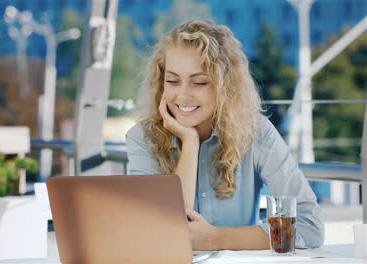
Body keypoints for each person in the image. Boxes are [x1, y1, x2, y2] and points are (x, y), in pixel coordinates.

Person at [125, 20, 324, 250]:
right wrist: (189, 143)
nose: (182, 95)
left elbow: (310, 227)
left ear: (224, 85)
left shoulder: (255, 131)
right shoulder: (142, 138)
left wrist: (217, 238)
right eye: (172, 81)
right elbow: (153, 233)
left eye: (199, 82)